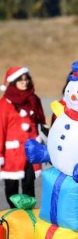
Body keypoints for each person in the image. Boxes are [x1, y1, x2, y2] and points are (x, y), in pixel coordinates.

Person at [0, 66, 46, 208]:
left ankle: (27, 215)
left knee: (29, 185)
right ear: (13, 82)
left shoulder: (34, 99)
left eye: (26, 80)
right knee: (11, 188)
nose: (24, 83)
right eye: (21, 80)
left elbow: (41, 122)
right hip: (12, 154)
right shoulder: (4, 104)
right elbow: (1, 129)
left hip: (30, 151)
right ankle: (14, 214)